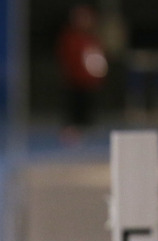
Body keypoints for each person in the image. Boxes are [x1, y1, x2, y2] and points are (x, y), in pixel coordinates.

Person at [56, 4, 108, 143]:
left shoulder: (92, 38)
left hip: (90, 84)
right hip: (73, 82)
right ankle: (72, 138)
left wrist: (97, 75)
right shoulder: (69, 38)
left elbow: (98, 59)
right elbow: (66, 59)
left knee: (88, 115)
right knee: (73, 113)